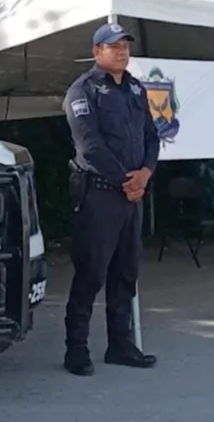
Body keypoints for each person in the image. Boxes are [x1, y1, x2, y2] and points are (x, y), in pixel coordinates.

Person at [60, 22, 160, 376]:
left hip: (132, 195)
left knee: (125, 273)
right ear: (96, 51)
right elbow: (90, 146)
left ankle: (120, 344)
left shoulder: (134, 89)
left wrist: (146, 172)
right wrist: (126, 181)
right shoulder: (83, 91)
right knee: (90, 273)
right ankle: (77, 349)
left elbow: (152, 136)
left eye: (125, 46)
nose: (121, 51)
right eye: (113, 46)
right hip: (100, 195)